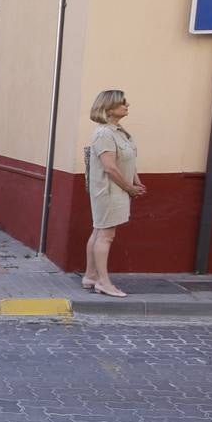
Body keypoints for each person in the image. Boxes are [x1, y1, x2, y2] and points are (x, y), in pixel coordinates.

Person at [82, 89, 145, 297]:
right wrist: (129, 188)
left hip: (118, 189)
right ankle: (103, 282)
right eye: (122, 103)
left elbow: (127, 160)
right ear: (108, 108)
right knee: (106, 236)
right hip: (108, 191)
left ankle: (90, 276)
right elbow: (109, 167)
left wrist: (136, 181)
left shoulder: (120, 132)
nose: (127, 105)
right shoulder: (104, 134)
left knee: (98, 231)